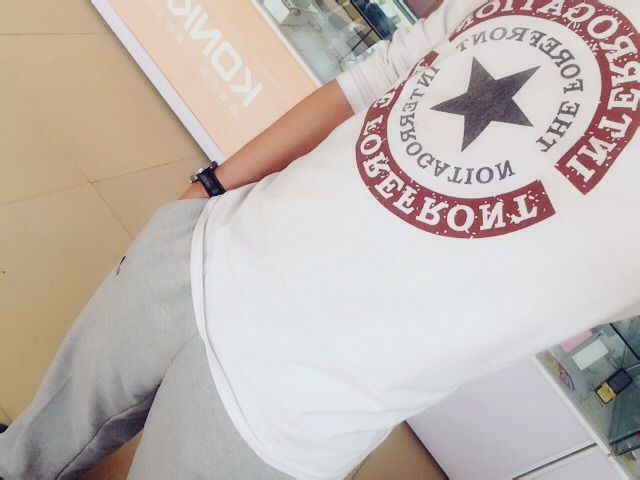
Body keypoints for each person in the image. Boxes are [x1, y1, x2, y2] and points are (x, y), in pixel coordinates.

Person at [2, 0, 640, 478]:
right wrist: (207, 191)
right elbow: (371, 80)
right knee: (30, 445)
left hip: (291, 415)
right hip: (201, 255)